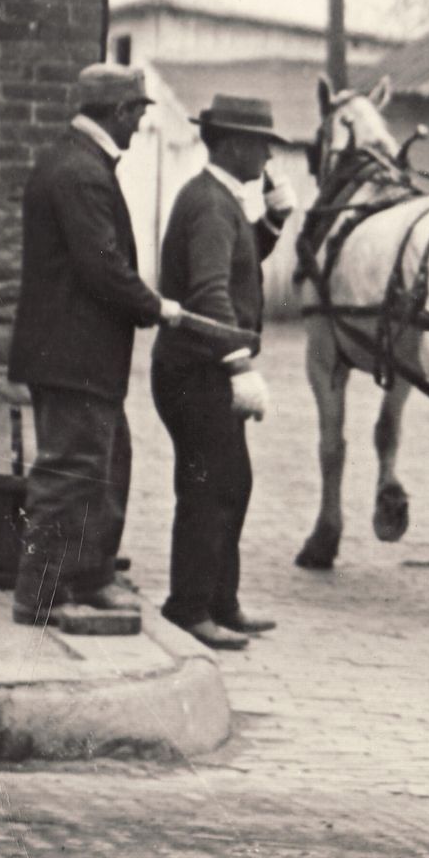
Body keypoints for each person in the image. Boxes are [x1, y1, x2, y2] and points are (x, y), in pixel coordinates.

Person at [6, 64, 187, 630]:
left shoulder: (78, 162)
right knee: (70, 471)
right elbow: (101, 265)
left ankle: (89, 577)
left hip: (79, 356)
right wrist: (155, 306)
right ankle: (40, 595)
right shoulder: (81, 171)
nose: (140, 125)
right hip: (73, 355)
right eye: (138, 113)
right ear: (120, 112)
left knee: (107, 462)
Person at [152, 94, 295, 650]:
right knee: (209, 488)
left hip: (200, 368)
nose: (268, 157)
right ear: (234, 145)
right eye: (262, 145)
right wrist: (239, 363)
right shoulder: (211, 205)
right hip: (198, 372)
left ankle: (219, 601)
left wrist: (274, 220)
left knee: (232, 483)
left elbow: (239, 260)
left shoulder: (218, 199)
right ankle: (189, 608)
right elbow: (210, 291)